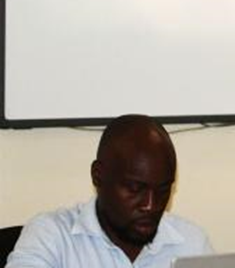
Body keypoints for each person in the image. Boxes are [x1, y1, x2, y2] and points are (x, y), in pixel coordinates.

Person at [5, 114, 213, 268]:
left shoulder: (192, 244)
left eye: (162, 190)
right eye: (134, 189)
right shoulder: (52, 235)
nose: (150, 205)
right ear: (98, 176)